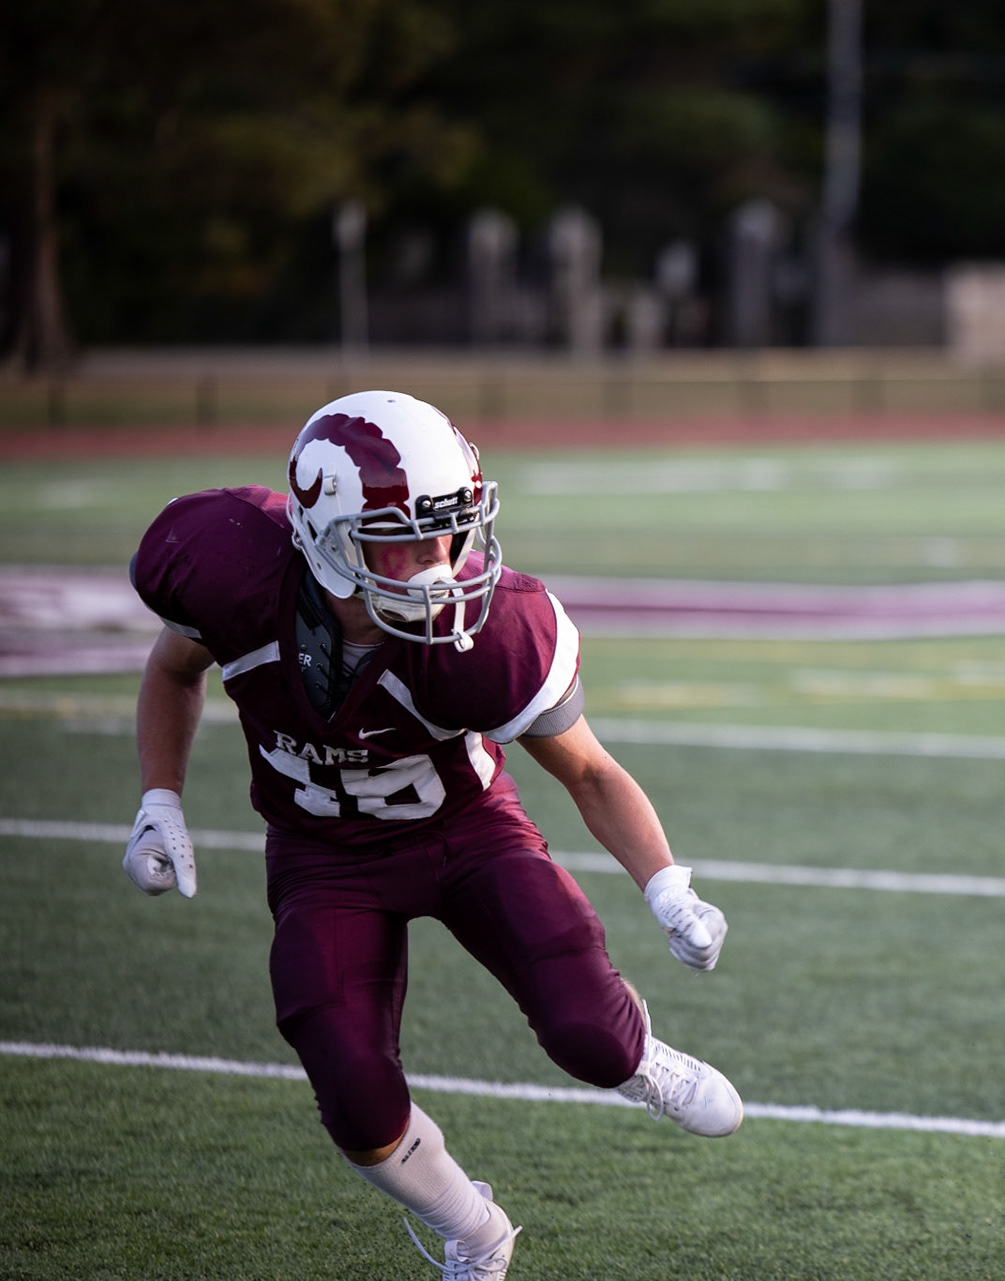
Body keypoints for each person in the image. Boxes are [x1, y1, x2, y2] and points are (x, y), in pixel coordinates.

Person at [122, 390, 744, 1280]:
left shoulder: (486, 635)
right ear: (329, 538)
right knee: (353, 1093)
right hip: (324, 856)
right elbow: (173, 667)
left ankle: (641, 1057)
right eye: (409, 537)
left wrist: (667, 884)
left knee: (588, 1034)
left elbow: (590, 770)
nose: (443, 560)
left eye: (452, 530)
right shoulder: (231, 574)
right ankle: (474, 1229)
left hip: (467, 836)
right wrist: (160, 797)